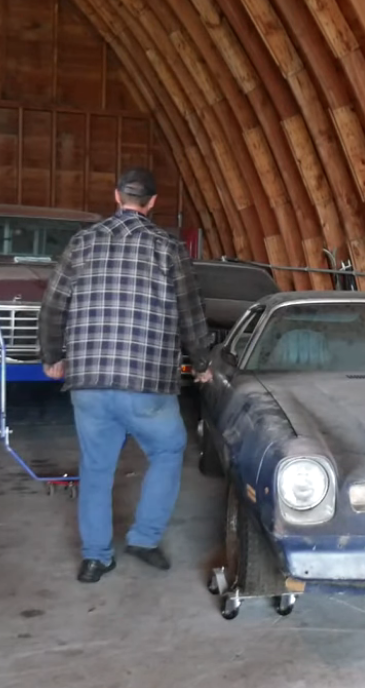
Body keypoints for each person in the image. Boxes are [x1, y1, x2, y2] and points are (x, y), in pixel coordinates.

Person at [38, 167, 214, 584]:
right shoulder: (168, 248)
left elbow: (52, 307)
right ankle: (144, 539)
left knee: (96, 468)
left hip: (89, 380)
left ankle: (96, 558)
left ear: (116, 196)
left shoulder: (82, 243)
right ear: (152, 203)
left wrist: (52, 357)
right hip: (147, 382)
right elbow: (191, 315)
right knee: (169, 451)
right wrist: (203, 363)